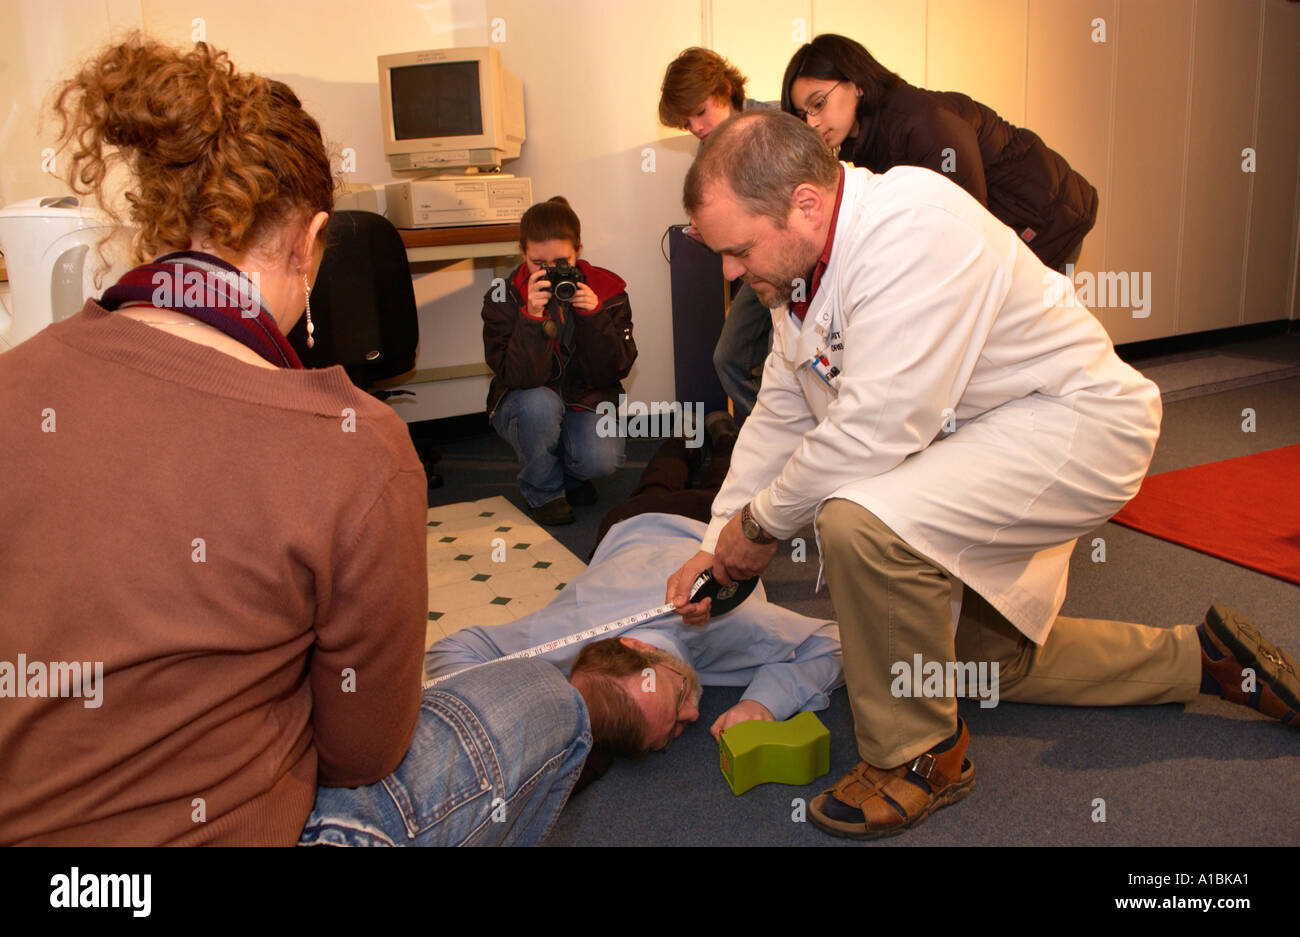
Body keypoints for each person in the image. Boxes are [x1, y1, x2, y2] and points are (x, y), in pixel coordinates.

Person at [0, 35, 588, 847]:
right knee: (543, 699)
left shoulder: (14, 382)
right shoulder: (355, 443)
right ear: (312, 241)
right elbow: (361, 751)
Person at [666, 109, 1300, 841]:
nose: (729, 271)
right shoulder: (799, 272)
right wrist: (721, 538)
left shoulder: (911, 227)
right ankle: (1204, 659)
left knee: (858, 522)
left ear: (805, 203)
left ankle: (920, 756)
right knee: (972, 663)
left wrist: (760, 526)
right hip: (983, 435)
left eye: (737, 250)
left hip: (1075, 426)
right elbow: (779, 415)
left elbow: (873, 432)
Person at [426, 512, 842, 763]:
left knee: (686, 476)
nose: (694, 717)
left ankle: (705, 437)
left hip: (680, 524)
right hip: (621, 544)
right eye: (672, 733)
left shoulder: (732, 623)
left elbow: (835, 642)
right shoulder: (564, 649)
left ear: (638, 647)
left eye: (677, 696)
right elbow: (450, 651)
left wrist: (762, 703)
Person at [782, 33, 1097, 272]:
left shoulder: (921, 121)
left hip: (1047, 216)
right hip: (1010, 224)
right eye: (803, 113)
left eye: (819, 103)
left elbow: (967, 226)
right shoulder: (864, 139)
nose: (811, 122)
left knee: (1033, 341)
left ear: (857, 84)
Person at [482, 197, 635, 526]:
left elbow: (613, 370)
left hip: (584, 398)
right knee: (539, 404)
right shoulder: (503, 295)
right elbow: (517, 377)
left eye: (561, 262)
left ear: (578, 249)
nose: (550, 272)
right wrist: (531, 318)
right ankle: (545, 491)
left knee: (603, 460)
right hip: (525, 400)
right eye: (538, 263)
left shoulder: (608, 290)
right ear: (522, 252)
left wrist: (593, 317)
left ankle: (569, 475)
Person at [658, 47, 772, 423]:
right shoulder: (708, 149)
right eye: (686, 122)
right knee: (728, 358)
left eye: (700, 112)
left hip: (796, 270)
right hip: (754, 269)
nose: (695, 127)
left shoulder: (777, 122)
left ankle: (788, 444)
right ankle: (768, 438)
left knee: (785, 365)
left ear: (726, 89)